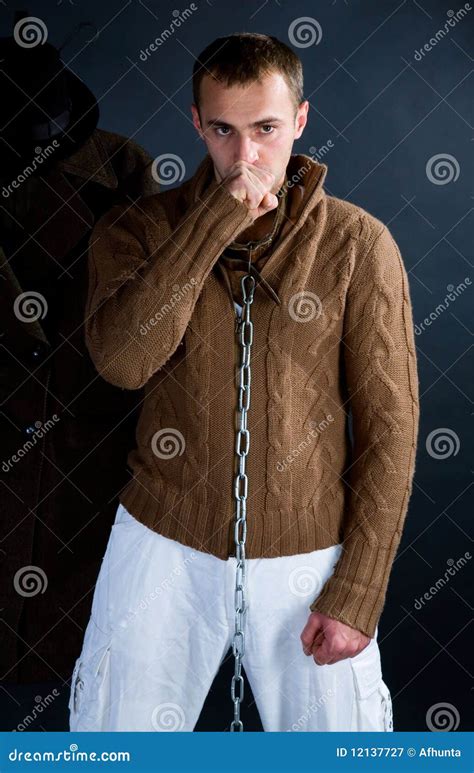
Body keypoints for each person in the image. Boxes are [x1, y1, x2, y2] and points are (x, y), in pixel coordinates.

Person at [69, 33, 419, 732]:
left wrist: (359, 587)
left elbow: (392, 429)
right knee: (112, 739)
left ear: (300, 121)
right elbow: (123, 362)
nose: (246, 156)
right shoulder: (135, 229)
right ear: (197, 124)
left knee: (342, 749)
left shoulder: (358, 245)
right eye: (224, 131)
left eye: (265, 129)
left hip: (309, 551)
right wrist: (213, 222)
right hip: (162, 537)